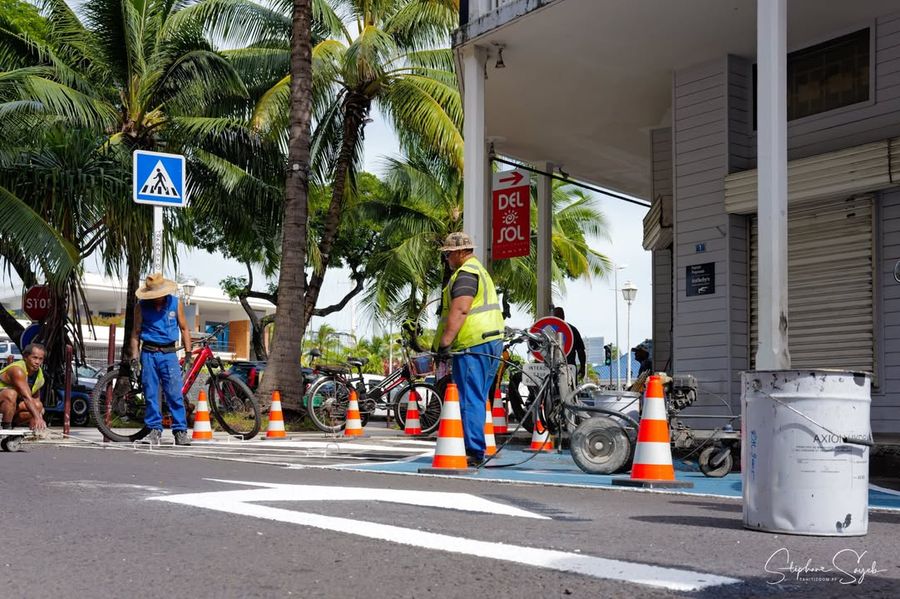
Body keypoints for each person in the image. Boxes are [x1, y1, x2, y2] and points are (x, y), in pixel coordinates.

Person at [434, 232, 505, 466]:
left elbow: (461, 309)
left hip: (473, 343)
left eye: (447, 254)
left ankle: (473, 450)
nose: (446, 259)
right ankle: (477, 446)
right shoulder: (479, 271)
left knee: (469, 397)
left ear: (459, 252)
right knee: (479, 396)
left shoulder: (465, 274)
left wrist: (445, 341)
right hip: (491, 341)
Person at [130, 273, 193, 446]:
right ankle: (154, 430)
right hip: (149, 353)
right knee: (150, 394)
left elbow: (184, 328)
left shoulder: (175, 303)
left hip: (169, 354)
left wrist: (188, 354)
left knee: (174, 394)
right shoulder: (141, 306)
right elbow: (135, 333)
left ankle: (180, 431)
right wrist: (135, 359)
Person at [0, 343, 48, 431]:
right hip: (3, 401)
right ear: (25, 357)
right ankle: (6, 429)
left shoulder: (39, 375)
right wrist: (37, 417)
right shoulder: (17, 370)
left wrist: (39, 418)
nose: (37, 362)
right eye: (35, 357)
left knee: (38, 406)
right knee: (11, 394)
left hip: (13, 407)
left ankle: (12, 425)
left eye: (40, 359)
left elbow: (36, 400)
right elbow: (26, 397)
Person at [551, 306, 586, 382]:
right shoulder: (548, 330)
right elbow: (581, 350)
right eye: (556, 315)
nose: (558, 317)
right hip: (554, 367)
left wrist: (583, 367)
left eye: (559, 315)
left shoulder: (572, 330)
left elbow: (581, 350)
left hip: (568, 367)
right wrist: (582, 367)